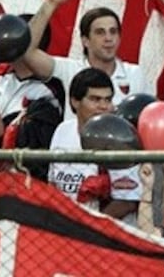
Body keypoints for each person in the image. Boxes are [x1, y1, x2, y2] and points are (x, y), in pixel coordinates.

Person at [26, 0, 154, 117]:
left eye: (113, 31)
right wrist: (51, 2)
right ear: (85, 40)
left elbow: (150, 118)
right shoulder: (69, 69)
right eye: (100, 32)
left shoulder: (135, 74)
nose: (108, 38)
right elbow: (28, 52)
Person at [48, 68, 141, 221]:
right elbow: (53, 184)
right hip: (65, 228)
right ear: (75, 101)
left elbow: (127, 202)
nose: (104, 106)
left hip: (109, 232)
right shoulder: (62, 130)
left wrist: (87, 225)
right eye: (95, 99)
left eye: (108, 99)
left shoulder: (121, 138)